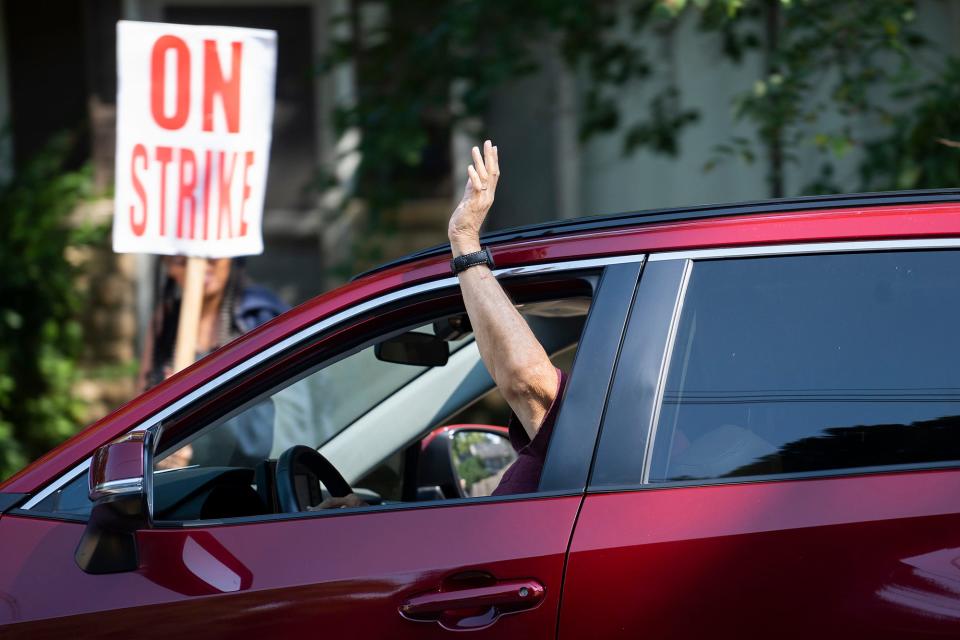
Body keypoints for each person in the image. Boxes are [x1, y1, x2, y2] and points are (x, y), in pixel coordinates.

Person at [318, 140, 564, 508]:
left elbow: (527, 382)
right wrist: (371, 512)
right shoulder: (607, 449)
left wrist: (464, 240)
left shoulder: (598, 439)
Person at [141, 256, 289, 469]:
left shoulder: (260, 318)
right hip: (179, 479)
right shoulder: (166, 322)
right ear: (168, 266)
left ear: (231, 257)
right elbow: (141, 410)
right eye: (182, 261)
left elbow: (289, 423)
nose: (201, 268)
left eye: (212, 258)